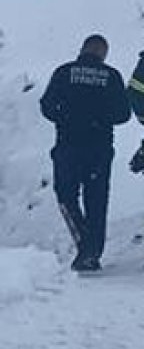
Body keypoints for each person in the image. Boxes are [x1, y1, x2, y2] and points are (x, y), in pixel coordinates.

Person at [39, 34, 131, 271]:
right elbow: (123, 114)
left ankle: (85, 244)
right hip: (99, 149)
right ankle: (93, 254)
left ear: (82, 49)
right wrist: (99, 119)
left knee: (65, 196)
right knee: (97, 201)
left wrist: (66, 117)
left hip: (68, 145)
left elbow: (46, 105)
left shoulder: (64, 72)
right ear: (103, 53)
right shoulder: (111, 76)